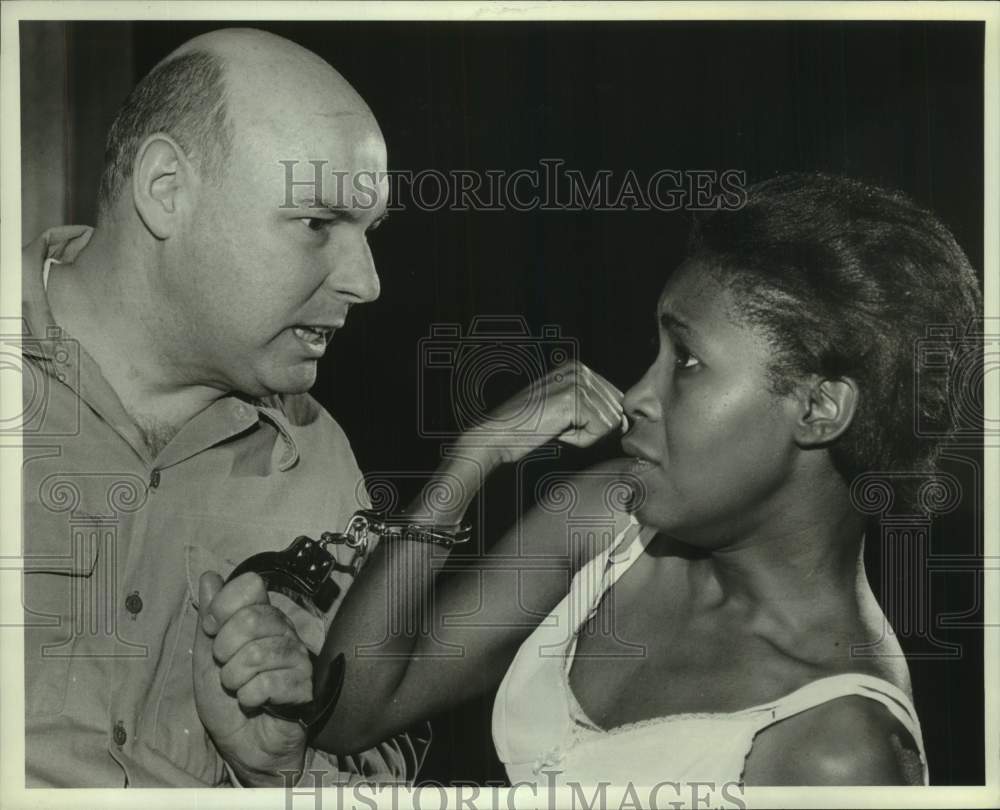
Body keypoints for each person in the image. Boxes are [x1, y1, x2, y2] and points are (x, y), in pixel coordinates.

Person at [292, 173, 981, 786]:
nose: (636, 396)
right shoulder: (610, 518)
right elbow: (350, 712)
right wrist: (474, 454)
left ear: (819, 408)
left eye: (685, 360)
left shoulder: (843, 753)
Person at [20, 28, 428, 787]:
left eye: (369, 233)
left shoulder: (318, 461)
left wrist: (280, 767)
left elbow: (381, 764)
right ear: (167, 189)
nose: (367, 282)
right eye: (318, 224)